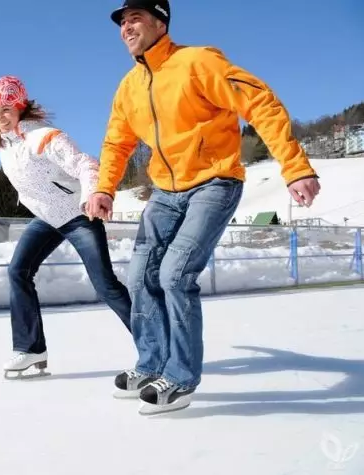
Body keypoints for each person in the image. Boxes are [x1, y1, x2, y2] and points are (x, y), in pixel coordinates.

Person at [86, 0, 321, 413]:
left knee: (175, 274)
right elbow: (116, 142)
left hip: (214, 181)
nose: (126, 27)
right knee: (141, 275)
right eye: (122, 22)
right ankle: (152, 362)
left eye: (135, 18)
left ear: (160, 22)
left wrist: (295, 167)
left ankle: (179, 377)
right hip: (164, 191)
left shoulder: (198, 62)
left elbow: (259, 102)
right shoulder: (129, 86)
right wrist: (104, 187)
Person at [0, 75, 133, 378]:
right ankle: (31, 349)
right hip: (47, 217)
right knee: (18, 271)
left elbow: (85, 164)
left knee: (105, 284)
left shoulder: (45, 137)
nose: (0, 117)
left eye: (6, 109)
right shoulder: (3, 140)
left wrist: (94, 193)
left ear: (20, 108)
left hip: (77, 215)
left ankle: (156, 345)